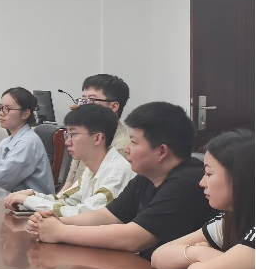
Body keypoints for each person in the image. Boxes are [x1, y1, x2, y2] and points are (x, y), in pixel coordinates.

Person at [27, 102, 216, 259]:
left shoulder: (187, 182)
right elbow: (107, 216)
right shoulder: (148, 175)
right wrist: (57, 221)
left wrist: (60, 232)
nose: (126, 149)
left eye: (133, 142)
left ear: (161, 151)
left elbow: (134, 238)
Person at [152, 130, 254, 269]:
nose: (201, 182)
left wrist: (202, 263)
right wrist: (199, 252)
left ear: (240, 177)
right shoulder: (228, 219)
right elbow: (159, 256)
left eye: (208, 173)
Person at [6, 103, 134, 216]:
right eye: (67, 135)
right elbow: (66, 201)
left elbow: (86, 214)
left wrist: (30, 201)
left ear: (97, 138)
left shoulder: (116, 173)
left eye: (73, 134)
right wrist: (33, 194)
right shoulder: (92, 168)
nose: (67, 142)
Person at [61, 73, 131, 190]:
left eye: (91, 100)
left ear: (114, 106)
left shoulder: (121, 147)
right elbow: (70, 184)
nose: (84, 106)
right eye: (83, 100)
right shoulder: (84, 137)